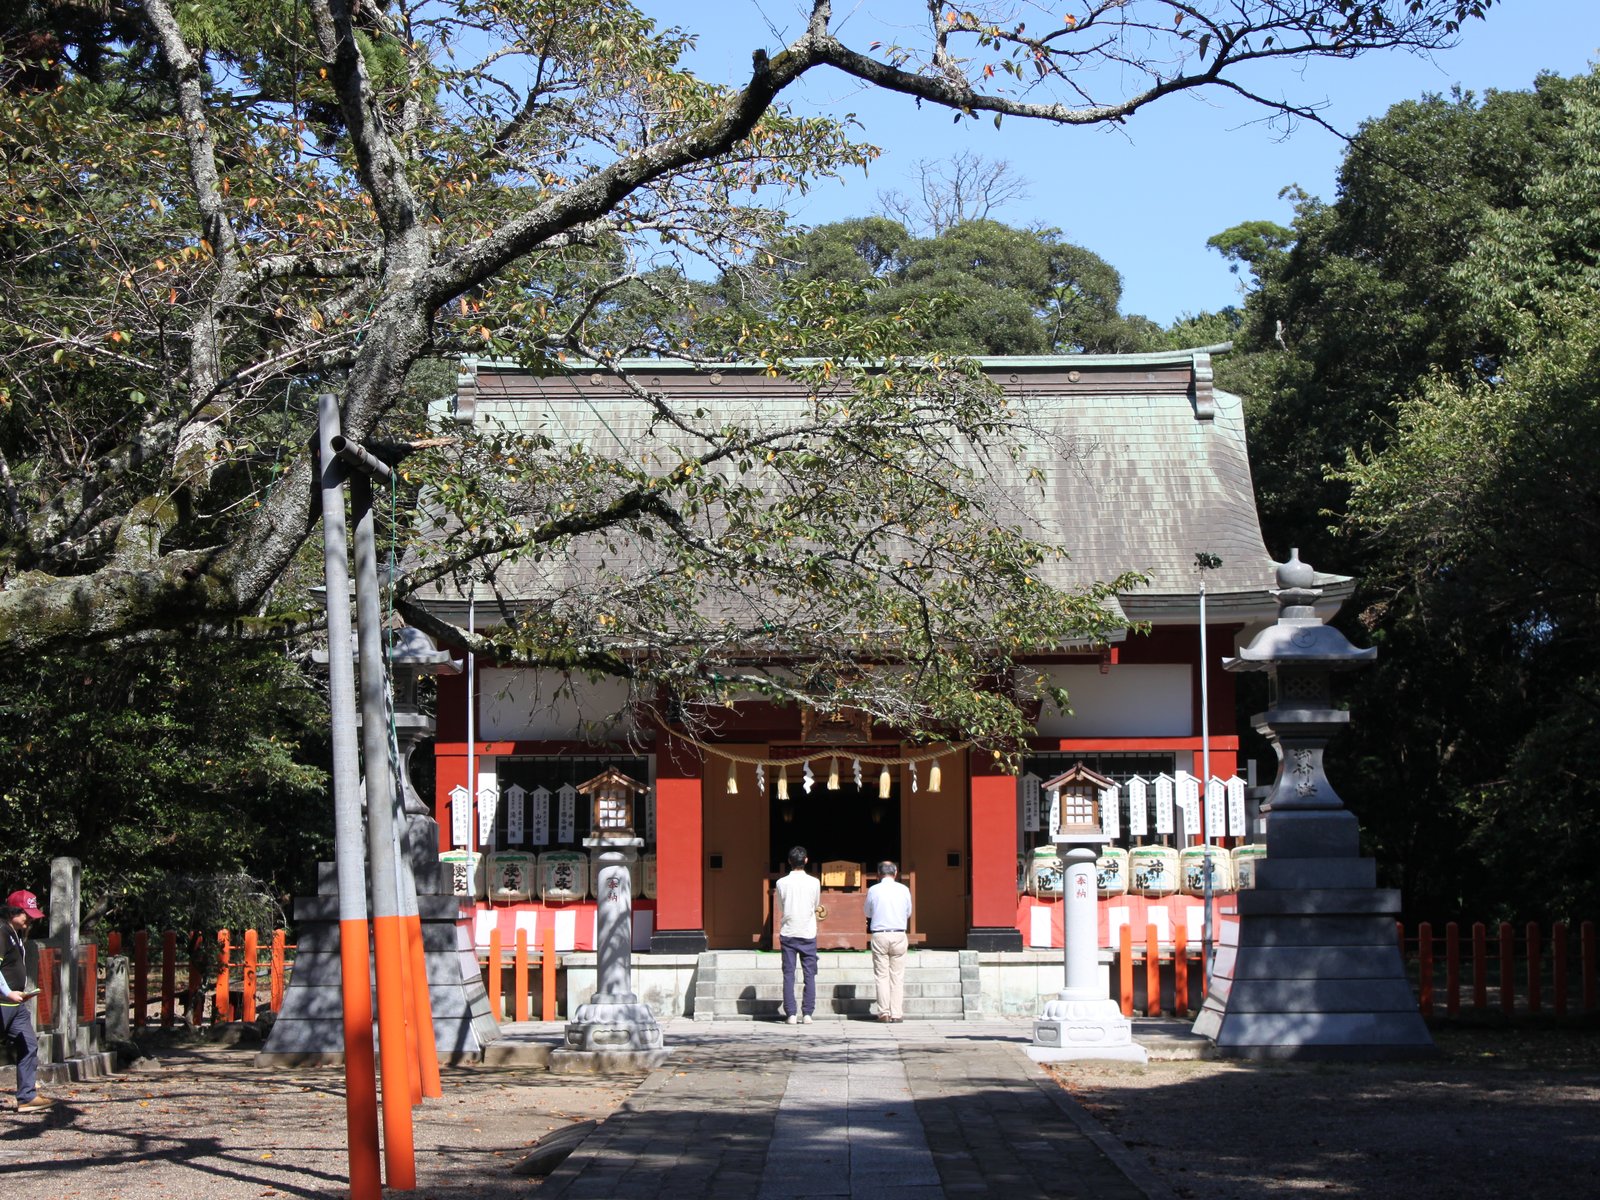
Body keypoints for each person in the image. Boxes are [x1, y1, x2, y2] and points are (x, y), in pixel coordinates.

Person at [2, 890, 50, 1112]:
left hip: (17, 1004)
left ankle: (26, 1096)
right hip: (3, 1002)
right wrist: (7, 992)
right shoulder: (2, 933)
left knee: (29, 1044)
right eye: (25, 913)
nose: (29, 918)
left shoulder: (16, 934)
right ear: (13, 911)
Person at [774, 846, 820, 1025]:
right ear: (806, 860)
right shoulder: (814, 882)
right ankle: (807, 1013)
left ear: (789, 861)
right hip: (807, 931)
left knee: (788, 974)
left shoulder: (781, 882)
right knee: (810, 974)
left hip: (789, 931)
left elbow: (780, 905)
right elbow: (816, 903)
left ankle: (791, 1014)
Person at [864, 861, 912, 1023]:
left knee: (881, 975)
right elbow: (908, 912)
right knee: (897, 976)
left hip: (880, 934)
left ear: (878, 874)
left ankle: (884, 1012)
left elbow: (867, 912)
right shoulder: (904, 889)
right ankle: (896, 1013)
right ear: (895, 873)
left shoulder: (874, 890)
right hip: (898, 933)